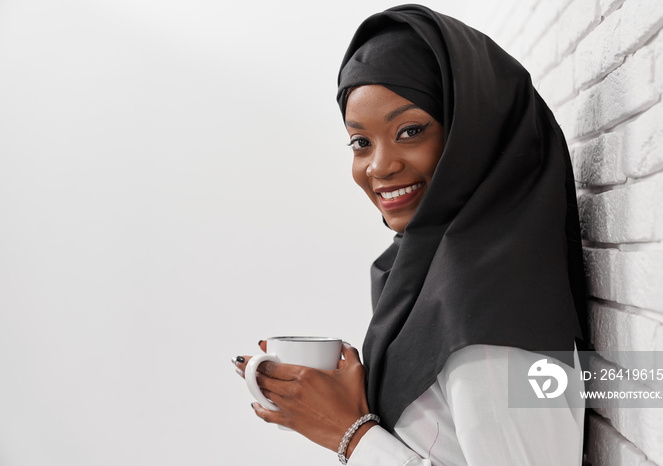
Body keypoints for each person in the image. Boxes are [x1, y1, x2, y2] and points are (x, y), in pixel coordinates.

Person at [234, 4, 588, 465]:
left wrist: (351, 435)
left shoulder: (487, 321)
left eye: (410, 131)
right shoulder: (431, 275)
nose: (379, 166)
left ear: (472, 133)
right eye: (361, 142)